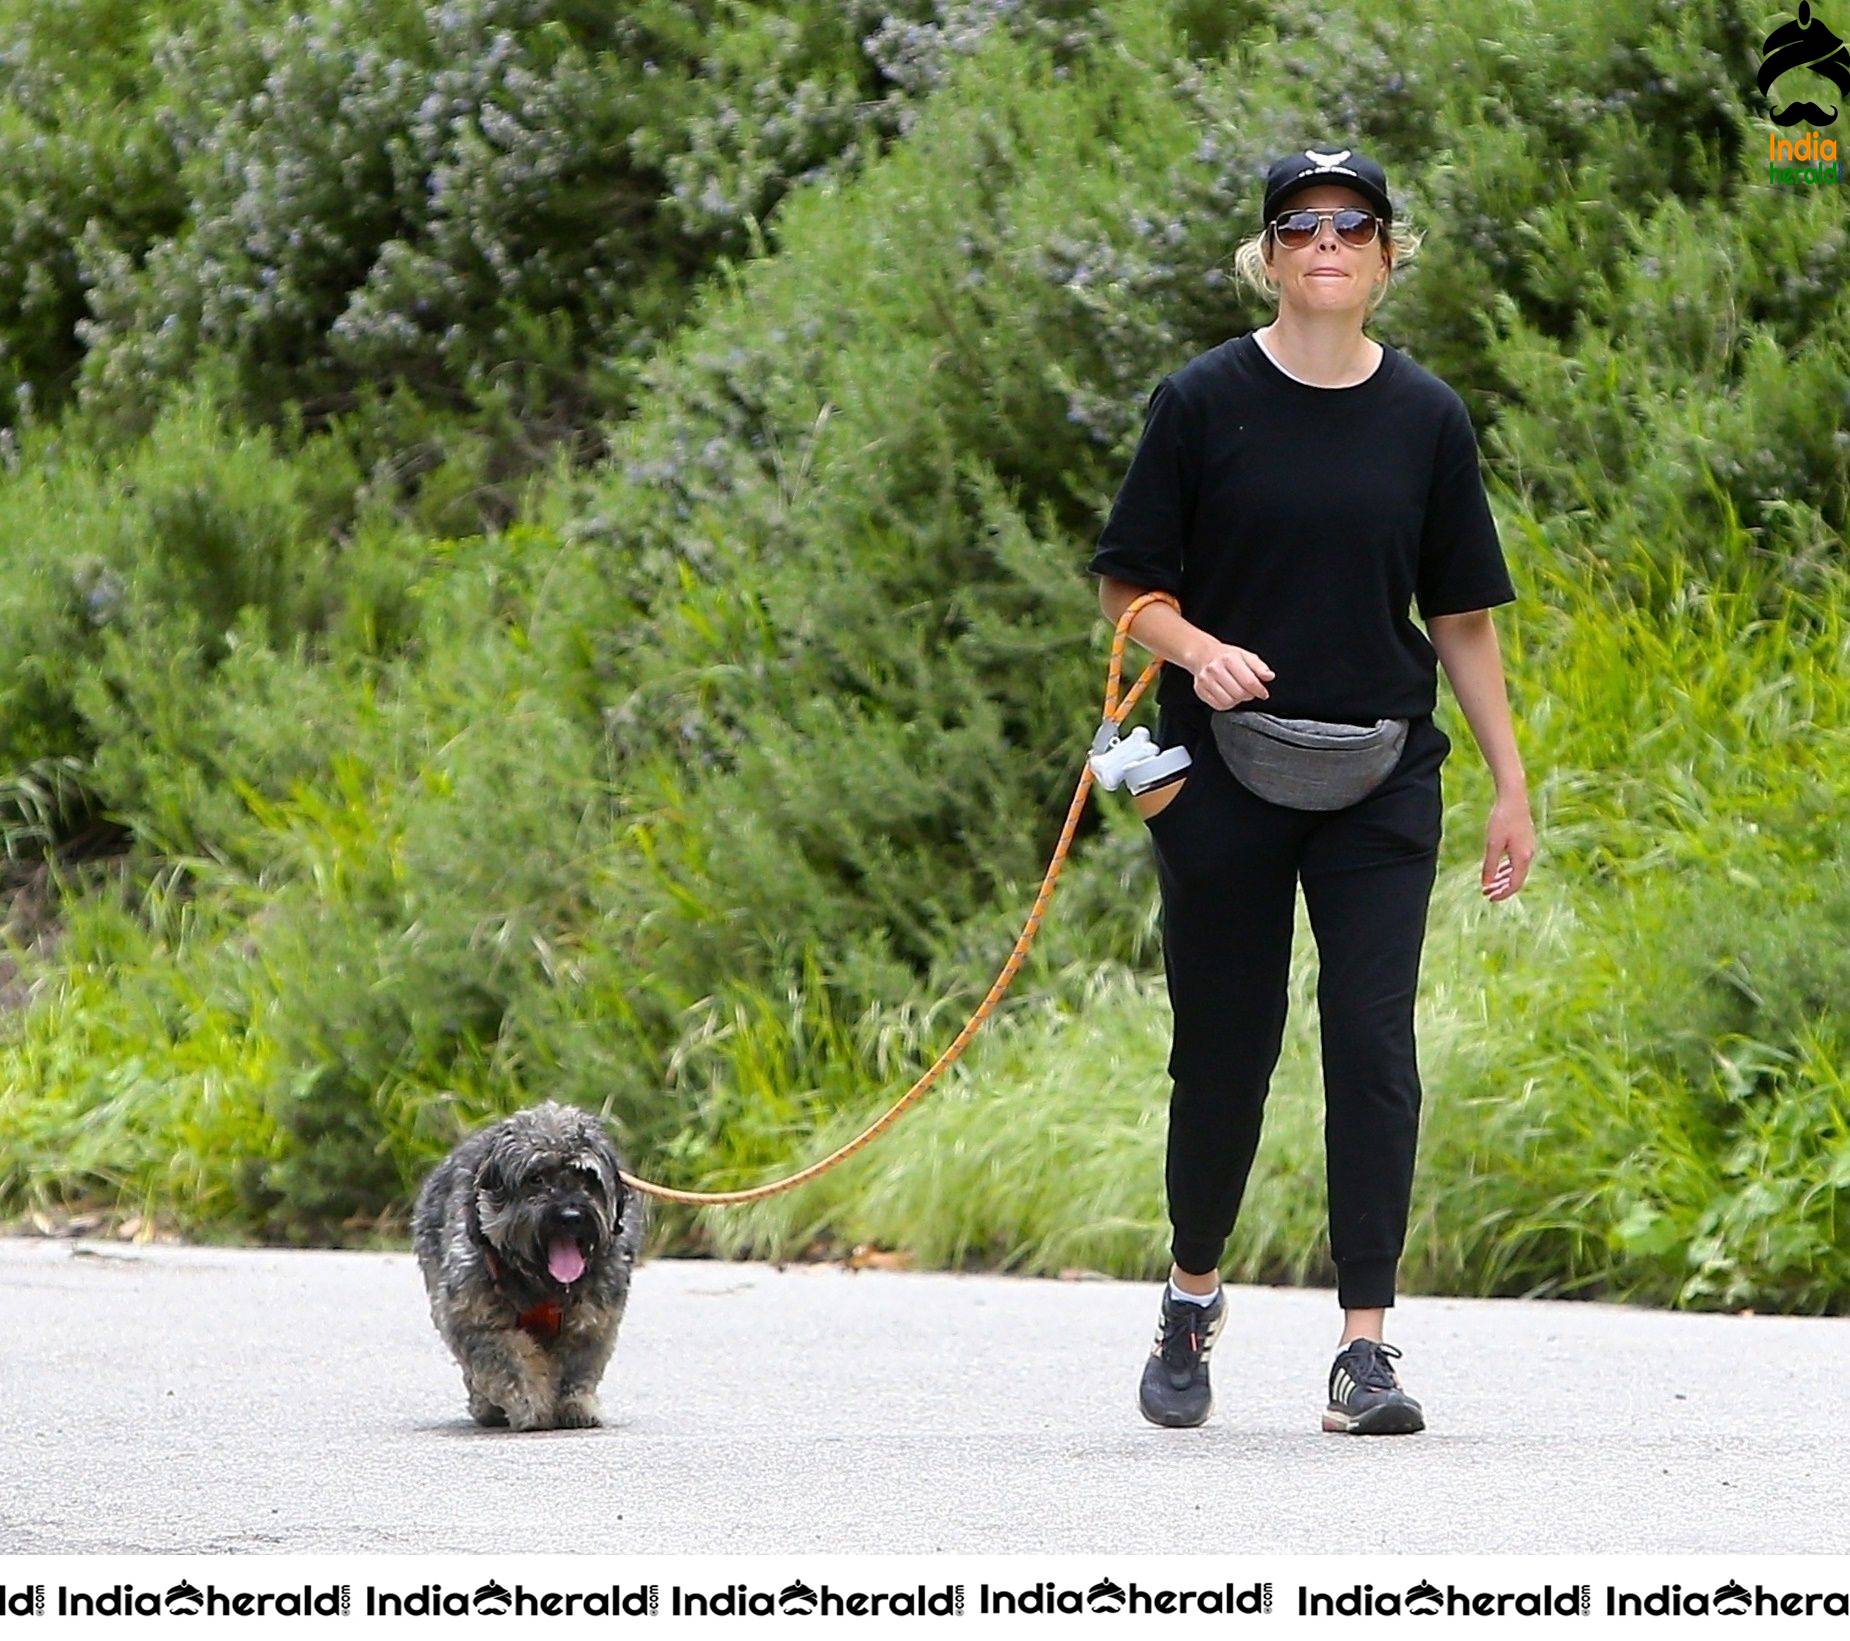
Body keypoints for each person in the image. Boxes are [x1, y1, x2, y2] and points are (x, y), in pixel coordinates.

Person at [1086, 146, 1535, 1434]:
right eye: (1300, 225)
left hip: (1383, 774)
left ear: (1390, 255)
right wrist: (1199, 649)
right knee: (1226, 1045)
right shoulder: (1202, 400)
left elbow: (1459, 615)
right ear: (1268, 255)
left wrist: (1511, 785)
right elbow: (1128, 589)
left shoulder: (1428, 418)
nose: (1326, 242)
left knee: (1372, 1048)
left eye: (1353, 224)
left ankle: (1365, 1350)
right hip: (1225, 776)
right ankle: (1191, 1294)